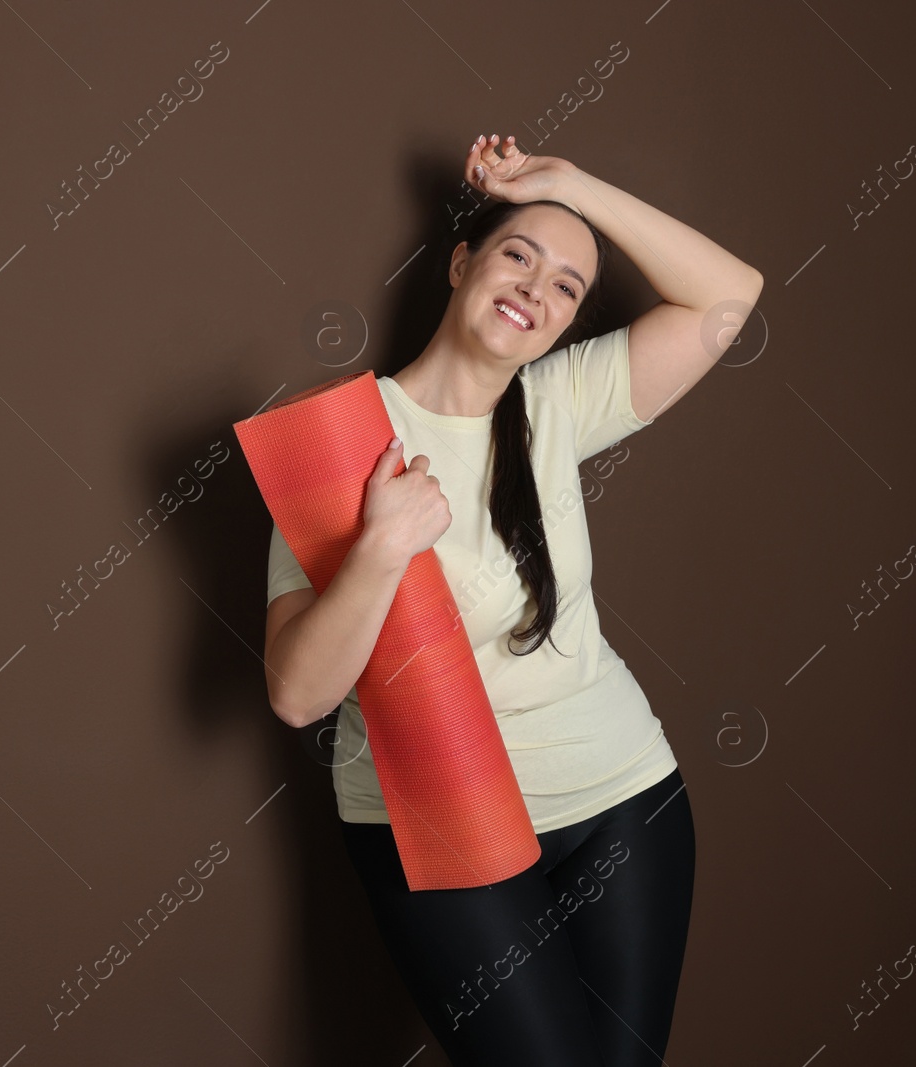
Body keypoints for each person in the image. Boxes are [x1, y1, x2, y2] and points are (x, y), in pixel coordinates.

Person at [261, 134, 763, 1066]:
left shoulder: (559, 401)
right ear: (462, 264)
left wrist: (570, 187)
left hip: (622, 796)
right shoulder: (343, 440)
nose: (537, 287)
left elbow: (730, 295)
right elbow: (297, 694)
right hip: (436, 817)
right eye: (518, 254)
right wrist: (379, 548)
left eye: (568, 286)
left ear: (568, 323)